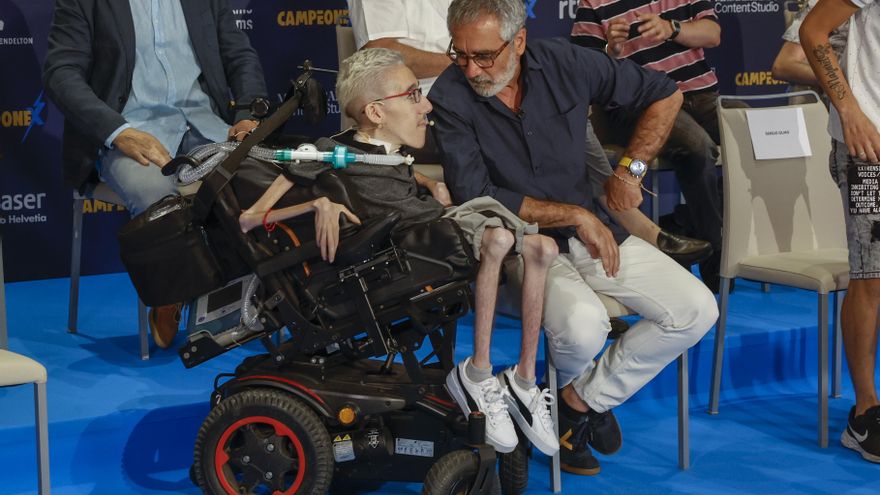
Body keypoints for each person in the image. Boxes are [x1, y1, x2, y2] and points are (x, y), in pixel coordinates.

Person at [430, 0, 718, 475]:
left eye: (484, 56)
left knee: (697, 308)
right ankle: (552, 406)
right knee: (585, 330)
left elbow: (665, 93)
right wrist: (575, 215)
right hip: (524, 245)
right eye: (459, 54)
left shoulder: (565, 61)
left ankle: (575, 404)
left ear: (518, 41)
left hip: (596, 231)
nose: (471, 68)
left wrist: (632, 169)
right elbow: (475, 193)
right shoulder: (451, 93)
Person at [238, 48, 561, 456]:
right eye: (412, 95)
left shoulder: (391, 152)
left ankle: (525, 381)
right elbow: (251, 218)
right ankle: (477, 373)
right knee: (498, 240)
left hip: (431, 225)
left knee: (543, 247)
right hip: (412, 248)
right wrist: (319, 204)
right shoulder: (326, 152)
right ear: (375, 112)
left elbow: (391, 169)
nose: (426, 105)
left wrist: (430, 185)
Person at [347, 0, 712, 267]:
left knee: (561, 115)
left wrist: (491, 60)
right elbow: (379, 52)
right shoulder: (467, 64)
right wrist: (478, 60)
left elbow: (664, 91)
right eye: (466, 54)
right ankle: (625, 230)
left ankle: (620, 233)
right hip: (419, 112)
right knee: (548, 119)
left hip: (488, 94)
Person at [42, 0, 268, 350]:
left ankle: (255, 304)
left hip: (205, 124)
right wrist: (119, 131)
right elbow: (61, 72)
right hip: (129, 134)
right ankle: (172, 293)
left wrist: (248, 113)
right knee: (159, 199)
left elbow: (239, 54)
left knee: (258, 181)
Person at [570, 0, 726, 292]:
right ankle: (714, 257)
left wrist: (672, 28)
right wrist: (611, 51)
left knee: (753, 144)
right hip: (643, 103)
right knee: (699, 148)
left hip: (703, 95)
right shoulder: (593, 3)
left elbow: (712, 33)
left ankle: (681, 224)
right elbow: (582, 67)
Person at [801, 0, 880, 463]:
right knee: (871, 278)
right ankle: (865, 412)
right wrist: (848, 110)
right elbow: (813, 32)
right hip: (869, 147)